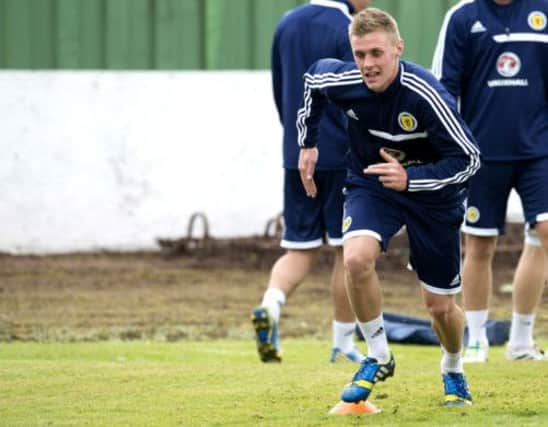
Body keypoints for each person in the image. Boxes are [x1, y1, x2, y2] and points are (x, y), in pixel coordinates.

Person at [298, 7, 480, 407]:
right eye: (360, 54)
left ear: (398, 49)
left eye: (377, 53)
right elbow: (312, 80)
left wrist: (411, 179)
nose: (367, 64)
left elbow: (469, 159)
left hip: (432, 195)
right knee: (356, 258)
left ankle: (453, 367)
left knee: (440, 307)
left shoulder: (427, 94)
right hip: (372, 181)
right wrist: (307, 144)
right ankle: (378, 355)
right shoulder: (344, 79)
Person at [251, 0, 373, 364]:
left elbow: (278, 89)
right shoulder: (347, 28)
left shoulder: (286, 24)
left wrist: (297, 137)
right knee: (344, 249)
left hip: (296, 154)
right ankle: (343, 343)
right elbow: (358, 93)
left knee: (298, 248)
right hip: (340, 156)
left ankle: (270, 307)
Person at [432, 0, 548, 363]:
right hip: (481, 154)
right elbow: (443, 89)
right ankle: (478, 338)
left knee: (544, 232)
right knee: (479, 245)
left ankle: (521, 342)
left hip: (538, 151)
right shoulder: (462, 16)